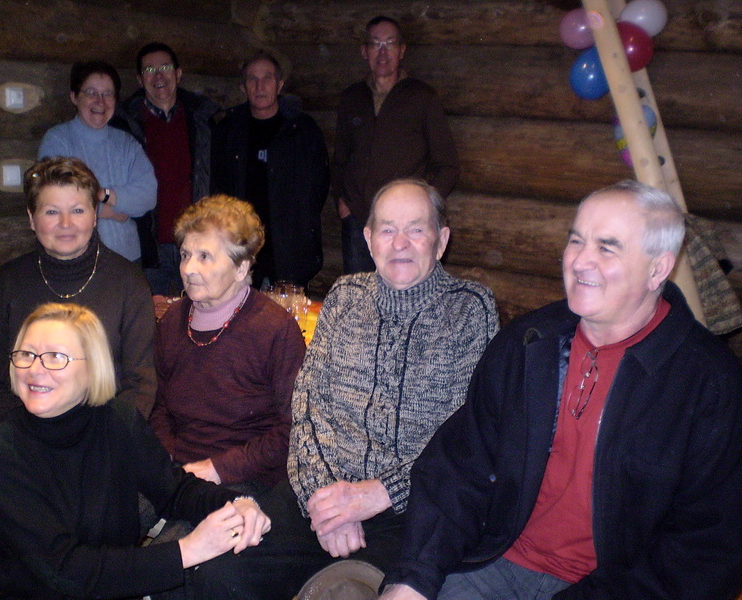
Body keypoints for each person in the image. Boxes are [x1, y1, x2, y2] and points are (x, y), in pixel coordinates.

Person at [380, 180, 742, 600]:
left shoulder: (710, 384)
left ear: (658, 269)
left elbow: (705, 551)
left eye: (607, 247)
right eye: (576, 241)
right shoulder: (527, 343)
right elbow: (460, 469)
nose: (580, 261)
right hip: (497, 561)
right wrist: (414, 577)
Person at [192, 179, 499, 599]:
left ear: (441, 240)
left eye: (416, 228)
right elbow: (307, 406)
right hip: (319, 495)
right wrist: (327, 498)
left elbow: (464, 438)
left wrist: (378, 494)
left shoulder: (470, 309)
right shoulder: (344, 296)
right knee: (219, 573)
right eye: (387, 229)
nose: (401, 243)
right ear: (369, 240)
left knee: (348, 594)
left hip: (410, 510)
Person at [0, 302, 271, 600]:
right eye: (26, 354)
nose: (35, 369)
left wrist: (237, 504)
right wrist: (189, 549)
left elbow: (173, 490)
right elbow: (66, 570)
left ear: (92, 366)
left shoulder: (117, 420)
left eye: (55, 357)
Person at [0, 157, 156, 427]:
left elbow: (140, 384)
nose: (66, 223)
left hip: (105, 439)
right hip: (25, 441)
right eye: (51, 212)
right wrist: (19, 445)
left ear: (95, 215)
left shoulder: (128, 281)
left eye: (78, 211)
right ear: (31, 219)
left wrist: (105, 446)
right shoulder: (8, 282)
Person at [150, 194, 306, 494]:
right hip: (178, 466)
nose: (188, 268)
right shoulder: (172, 321)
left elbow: (294, 428)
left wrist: (219, 469)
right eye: (184, 255)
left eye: (205, 257)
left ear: (241, 268)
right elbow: (158, 404)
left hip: (244, 475)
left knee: (181, 540)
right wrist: (168, 456)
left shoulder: (274, 329)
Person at [332, 16, 459, 274]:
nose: (382, 51)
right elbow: (340, 159)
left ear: (401, 51)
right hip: (359, 222)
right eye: (375, 43)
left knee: (407, 295)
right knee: (360, 300)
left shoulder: (422, 97)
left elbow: (447, 165)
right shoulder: (352, 97)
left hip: (406, 228)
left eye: (390, 43)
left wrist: (423, 210)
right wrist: (343, 203)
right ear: (364, 51)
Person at [212, 50, 329, 289]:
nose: (260, 85)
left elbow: (318, 187)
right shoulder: (229, 130)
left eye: (267, 78)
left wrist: (298, 224)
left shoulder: (302, 130)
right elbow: (219, 187)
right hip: (243, 243)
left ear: (280, 84)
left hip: (289, 246)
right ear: (243, 87)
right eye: (252, 79)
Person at [112, 42, 219, 293]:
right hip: (148, 250)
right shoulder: (124, 124)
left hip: (198, 244)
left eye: (164, 67)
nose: (158, 75)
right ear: (139, 80)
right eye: (149, 70)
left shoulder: (205, 119)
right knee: (150, 326)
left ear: (178, 74)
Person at [39, 60, 157, 263]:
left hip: (127, 259)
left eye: (107, 94)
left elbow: (148, 197)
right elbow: (56, 201)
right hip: (75, 258)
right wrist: (113, 210)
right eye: (91, 93)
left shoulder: (127, 143)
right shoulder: (57, 139)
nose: (100, 101)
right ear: (74, 97)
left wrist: (103, 194)